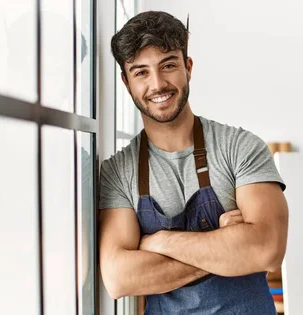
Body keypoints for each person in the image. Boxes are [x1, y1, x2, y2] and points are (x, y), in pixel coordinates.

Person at [99, 10, 289, 314]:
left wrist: (157, 241)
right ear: (126, 82)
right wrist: (223, 244)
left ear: (188, 67)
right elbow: (120, 277)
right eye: (141, 72)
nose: (158, 84)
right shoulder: (118, 173)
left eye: (168, 65)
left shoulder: (240, 148)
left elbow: (265, 251)